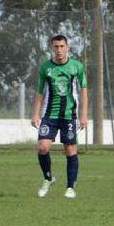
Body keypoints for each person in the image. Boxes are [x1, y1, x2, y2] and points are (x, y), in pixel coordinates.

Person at [31, 35, 88, 199]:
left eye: (62, 46)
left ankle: (70, 188)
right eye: (56, 47)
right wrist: (35, 114)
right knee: (42, 147)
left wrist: (83, 116)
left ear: (67, 47)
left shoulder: (76, 67)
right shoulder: (45, 68)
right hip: (49, 115)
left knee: (70, 150)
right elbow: (40, 93)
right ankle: (48, 178)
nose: (59, 50)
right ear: (52, 48)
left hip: (69, 115)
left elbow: (84, 93)